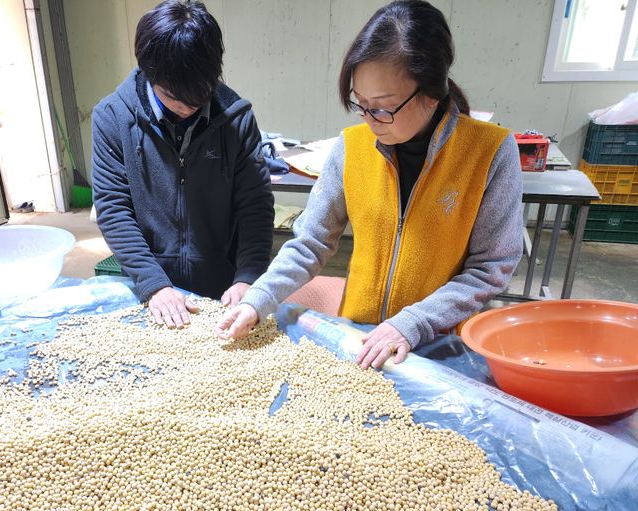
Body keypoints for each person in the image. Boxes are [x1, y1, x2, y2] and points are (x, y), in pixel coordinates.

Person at [217, 0, 523, 369]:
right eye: (360, 103)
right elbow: (310, 243)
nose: (370, 119)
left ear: (431, 92)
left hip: (438, 345)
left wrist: (411, 324)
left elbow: (491, 267)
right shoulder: (351, 147)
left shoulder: (489, 151)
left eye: (382, 106)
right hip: (359, 337)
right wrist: (259, 298)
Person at [91, 0, 274, 329]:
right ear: (150, 74)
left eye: (200, 94)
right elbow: (113, 207)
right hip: (150, 288)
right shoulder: (112, 117)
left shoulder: (237, 119)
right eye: (173, 96)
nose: (187, 107)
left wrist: (248, 276)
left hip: (223, 286)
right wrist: (154, 284)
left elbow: (255, 206)